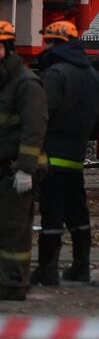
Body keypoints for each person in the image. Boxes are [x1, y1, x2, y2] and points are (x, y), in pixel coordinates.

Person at [31, 21, 99, 286]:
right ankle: (81, 267)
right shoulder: (91, 75)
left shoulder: (54, 74)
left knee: (52, 213)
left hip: (51, 154)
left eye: (47, 41)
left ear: (53, 43)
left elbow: (41, 115)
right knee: (77, 212)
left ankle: (47, 270)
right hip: (75, 155)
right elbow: (95, 115)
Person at [0, 21, 48, 301]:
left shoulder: (26, 84)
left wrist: (25, 170)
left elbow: (34, 130)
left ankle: (14, 284)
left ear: (6, 48)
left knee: (14, 230)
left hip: (15, 170)